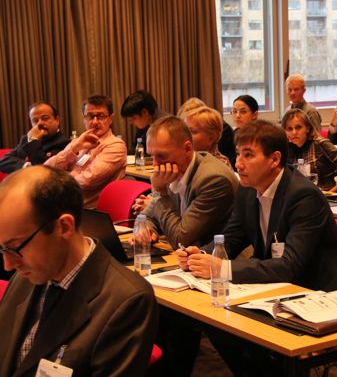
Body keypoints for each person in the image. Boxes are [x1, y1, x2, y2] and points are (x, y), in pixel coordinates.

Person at [177, 121, 337, 376]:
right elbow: (231, 239)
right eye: (238, 154)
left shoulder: (303, 196)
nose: (238, 164)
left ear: (274, 159)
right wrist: (200, 255)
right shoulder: (247, 190)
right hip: (277, 289)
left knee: (237, 332)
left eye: (248, 155)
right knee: (217, 325)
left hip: (317, 292)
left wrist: (222, 267)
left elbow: (290, 266)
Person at [0, 165, 158, 376]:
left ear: (64, 227)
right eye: (3, 249)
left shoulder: (126, 302)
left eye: (15, 247)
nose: (8, 265)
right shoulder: (25, 276)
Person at [134, 116, 238, 248]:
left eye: (162, 156)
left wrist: (160, 193)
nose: (155, 164)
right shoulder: (172, 169)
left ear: (187, 149)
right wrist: (146, 230)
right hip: (188, 255)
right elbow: (146, 217)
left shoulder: (213, 180)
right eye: (152, 156)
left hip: (218, 257)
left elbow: (181, 239)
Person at [45, 95, 127, 208]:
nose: (95, 122)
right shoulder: (79, 141)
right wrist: (74, 148)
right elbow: (46, 168)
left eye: (101, 116)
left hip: (88, 210)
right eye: (90, 116)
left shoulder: (116, 145)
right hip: (64, 203)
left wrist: (56, 179)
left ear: (110, 119)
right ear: (84, 119)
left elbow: (87, 180)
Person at [281, 109, 337, 190]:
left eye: (298, 127)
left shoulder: (321, 144)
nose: (294, 132)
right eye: (289, 129)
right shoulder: (287, 148)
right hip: (303, 193)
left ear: (307, 128)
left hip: (328, 193)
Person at [0, 101, 70, 174]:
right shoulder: (26, 139)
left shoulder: (65, 143)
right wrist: (28, 166)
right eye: (35, 121)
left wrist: (33, 140)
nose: (40, 123)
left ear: (57, 120)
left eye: (45, 118)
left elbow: (43, 170)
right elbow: (3, 161)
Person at [177, 97, 236, 168]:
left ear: (210, 139)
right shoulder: (191, 158)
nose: (184, 136)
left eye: (192, 132)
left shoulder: (218, 166)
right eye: (184, 131)